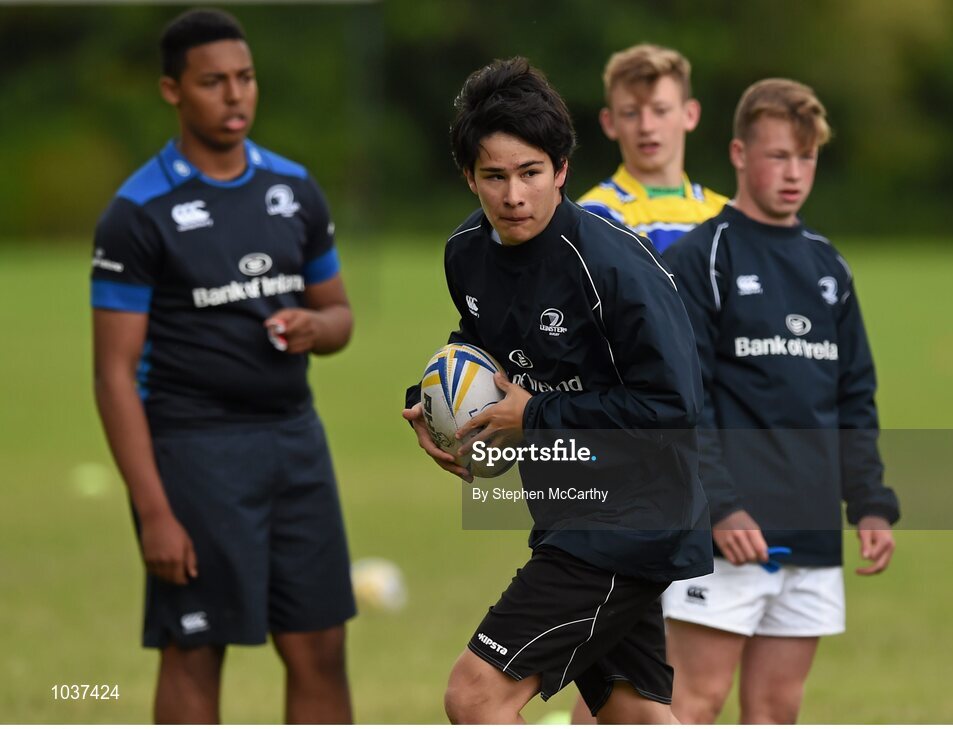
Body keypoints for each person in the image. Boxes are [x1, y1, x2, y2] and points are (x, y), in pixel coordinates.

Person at [401, 57, 712, 724]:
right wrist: (433, 401)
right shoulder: (465, 254)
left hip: (632, 516)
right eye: (495, 176)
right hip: (569, 508)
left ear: (562, 169)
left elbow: (674, 407)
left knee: (476, 693)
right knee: (634, 713)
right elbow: (482, 340)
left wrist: (535, 413)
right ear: (469, 177)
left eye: (531, 173)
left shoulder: (612, 265)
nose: (514, 195)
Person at [91, 9, 355, 723]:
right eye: (213, 82)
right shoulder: (138, 212)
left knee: (320, 646)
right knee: (196, 647)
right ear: (173, 91)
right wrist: (152, 512)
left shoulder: (294, 190)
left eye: (245, 78)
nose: (235, 96)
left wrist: (313, 325)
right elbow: (113, 374)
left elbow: (341, 318)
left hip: (296, 442)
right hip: (195, 450)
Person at [659, 78, 900, 723]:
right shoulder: (701, 257)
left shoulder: (830, 268)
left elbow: (855, 396)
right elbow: (685, 401)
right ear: (739, 154)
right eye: (777, 156)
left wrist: (871, 502)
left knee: (775, 711)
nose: (793, 173)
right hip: (726, 539)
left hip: (812, 534)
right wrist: (722, 507)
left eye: (806, 158)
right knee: (692, 702)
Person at [577, 44, 728, 252]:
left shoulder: (724, 214)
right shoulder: (593, 216)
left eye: (660, 110)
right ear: (609, 122)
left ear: (690, 114)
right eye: (630, 113)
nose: (646, 127)